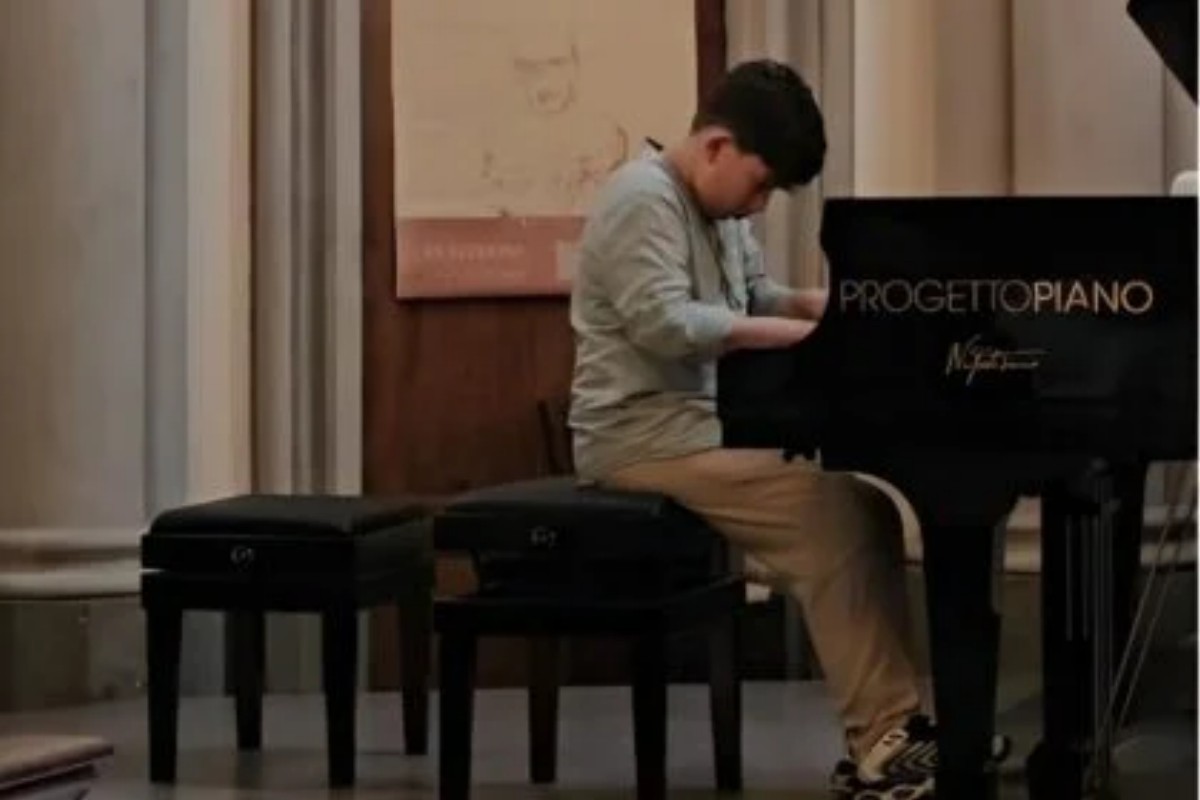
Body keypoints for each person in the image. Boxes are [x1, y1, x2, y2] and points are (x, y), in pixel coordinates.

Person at [567, 59, 934, 799]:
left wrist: (843, 306)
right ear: (716, 147)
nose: (761, 204)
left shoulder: (715, 212)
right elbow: (666, 324)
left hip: (699, 429)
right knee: (831, 510)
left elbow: (757, 295)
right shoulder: (642, 199)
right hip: (640, 439)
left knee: (866, 504)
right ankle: (882, 741)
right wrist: (809, 338)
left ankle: (895, 728)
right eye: (761, 184)